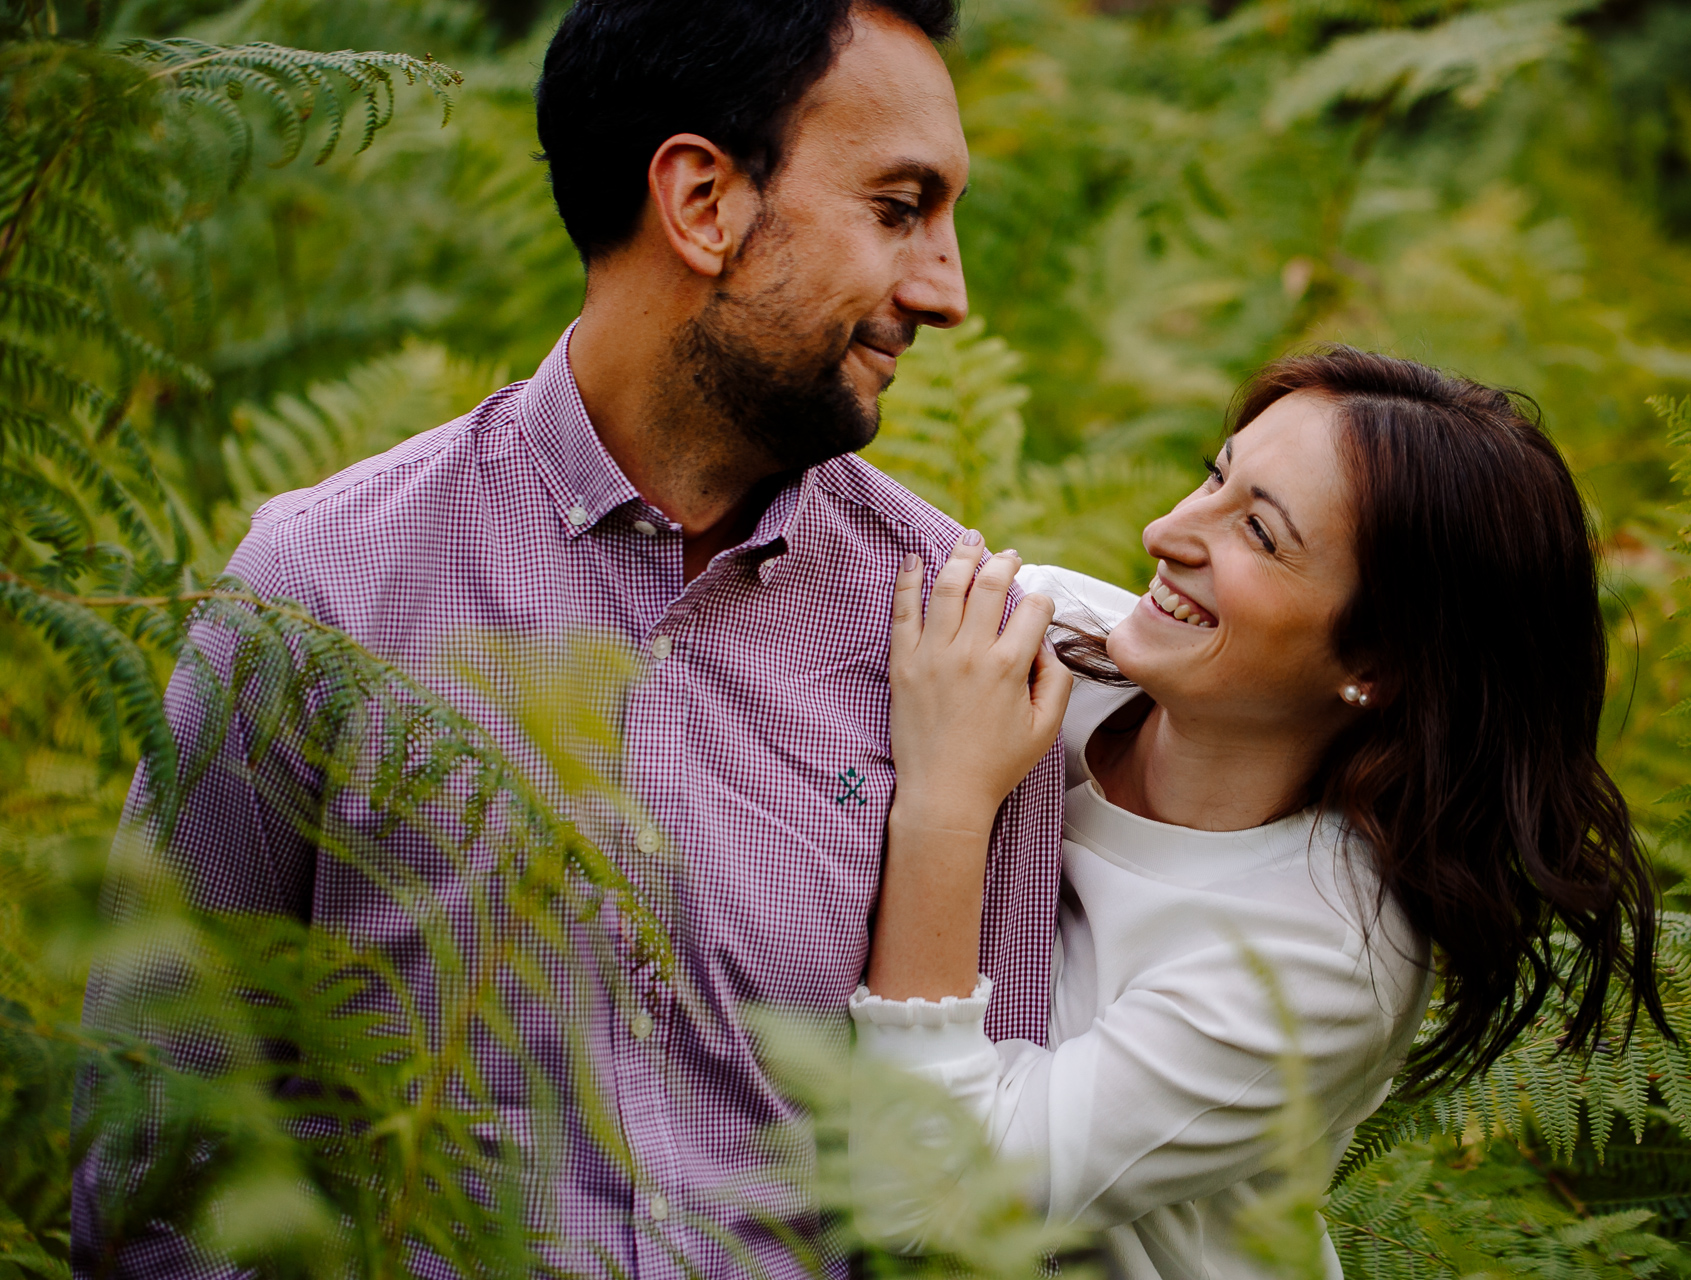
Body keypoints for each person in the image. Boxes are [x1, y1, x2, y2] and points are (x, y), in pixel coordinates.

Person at [74, 4, 1066, 1279]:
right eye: (899, 208)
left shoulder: (962, 642)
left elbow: (990, 1201)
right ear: (703, 200)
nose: (948, 291)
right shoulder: (322, 585)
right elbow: (158, 1138)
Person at [853, 348, 1668, 1279]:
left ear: (1379, 663)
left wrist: (947, 801)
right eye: (1215, 475)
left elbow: (923, 1198)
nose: (1168, 531)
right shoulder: (1038, 646)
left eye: (1261, 534)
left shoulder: (1321, 958)